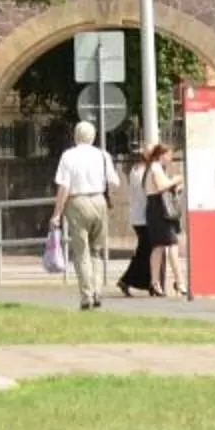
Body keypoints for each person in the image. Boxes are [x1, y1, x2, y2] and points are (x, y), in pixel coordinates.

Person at [51, 120, 120, 310]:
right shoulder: (103, 155)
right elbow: (115, 182)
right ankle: (97, 290)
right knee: (96, 251)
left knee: (81, 252)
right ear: (93, 137)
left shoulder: (68, 156)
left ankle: (86, 295)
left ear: (75, 135)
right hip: (99, 201)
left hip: (77, 202)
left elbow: (64, 186)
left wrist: (57, 213)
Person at [118, 142, 160, 296]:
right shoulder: (146, 172)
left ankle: (147, 282)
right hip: (144, 216)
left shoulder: (135, 170)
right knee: (146, 251)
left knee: (146, 250)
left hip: (138, 216)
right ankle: (127, 280)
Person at [142, 142, 183, 297]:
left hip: (155, 209)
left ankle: (155, 282)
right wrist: (176, 180)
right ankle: (179, 282)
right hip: (160, 210)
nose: (170, 158)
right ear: (161, 155)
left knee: (158, 246)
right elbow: (160, 186)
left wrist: (173, 185)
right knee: (171, 244)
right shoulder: (155, 168)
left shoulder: (152, 168)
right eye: (169, 155)